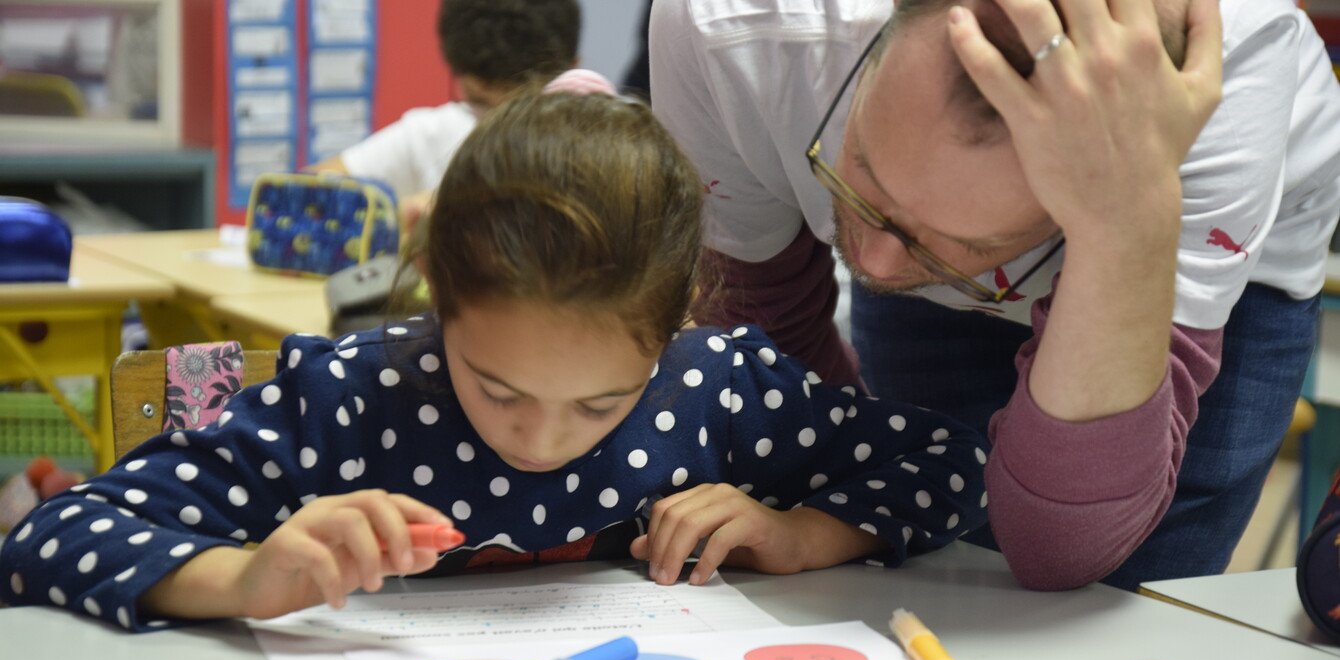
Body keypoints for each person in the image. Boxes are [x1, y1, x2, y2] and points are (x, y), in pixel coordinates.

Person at [0, 88, 989, 631]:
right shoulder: (351, 401)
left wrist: (803, 531)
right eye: (496, 387)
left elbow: (951, 467)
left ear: (675, 323)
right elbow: (56, 532)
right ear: (434, 292)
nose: (541, 439)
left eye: (604, 400)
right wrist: (246, 577)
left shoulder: (712, 387)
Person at [650, 0, 1340, 591]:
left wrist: (1124, 225)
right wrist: (826, 508)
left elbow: (1064, 551)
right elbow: (774, 349)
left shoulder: (1227, 78)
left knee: (1106, 615)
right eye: (862, 169)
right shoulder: (728, 26)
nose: (877, 262)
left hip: (1214, 252)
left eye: (973, 244)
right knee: (919, 572)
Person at [305, 0, 580, 205]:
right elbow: (298, 194)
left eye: (525, 106)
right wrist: (392, 218)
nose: (500, 125)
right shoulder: (430, 135)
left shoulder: (598, 144)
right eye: (478, 103)